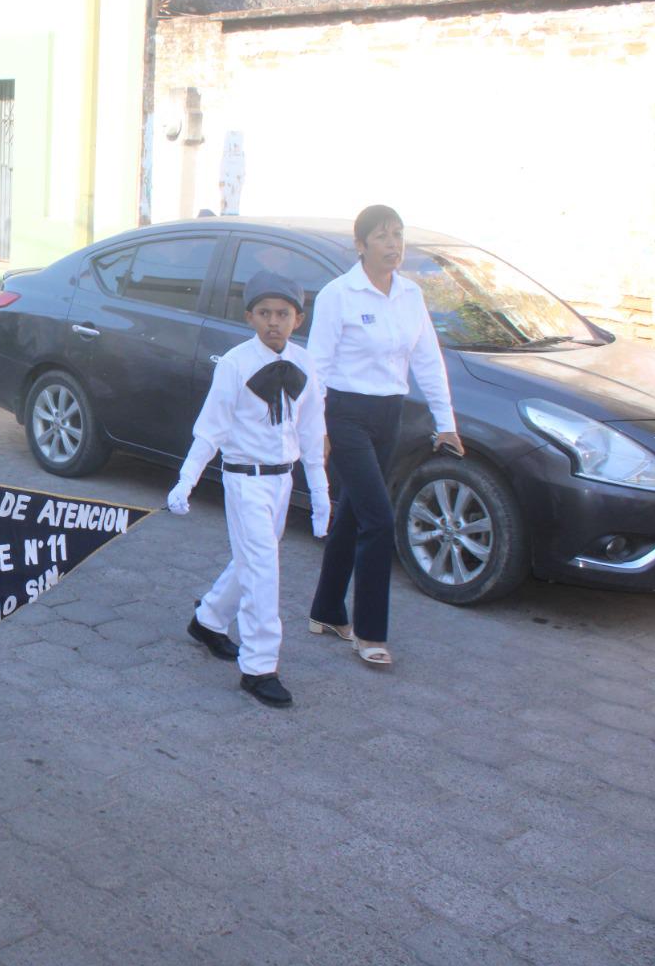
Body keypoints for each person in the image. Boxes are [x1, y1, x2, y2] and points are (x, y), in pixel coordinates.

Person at [307, 205, 461, 667]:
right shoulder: (339, 294)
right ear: (361, 245)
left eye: (398, 234)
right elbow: (317, 367)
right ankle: (370, 632)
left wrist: (446, 421)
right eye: (382, 236)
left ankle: (326, 611)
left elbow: (428, 359)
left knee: (353, 516)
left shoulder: (411, 294)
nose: (393, 244)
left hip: (388, 415)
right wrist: (317, 429)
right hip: (347, 414)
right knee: (378, 519)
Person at [166, 271, 329, 707]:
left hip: (282, 480)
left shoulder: (308, 363)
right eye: (264, 313)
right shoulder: (236, 363)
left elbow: (313, 432)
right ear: (249, 317)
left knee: (252, 560)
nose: (273, 321)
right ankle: (259, 668)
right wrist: (187, 479)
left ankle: (209, 620)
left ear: (298, 317)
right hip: (244, 480)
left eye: (283, 313)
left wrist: (320, 495)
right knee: (263, 571)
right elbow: (211, 428)